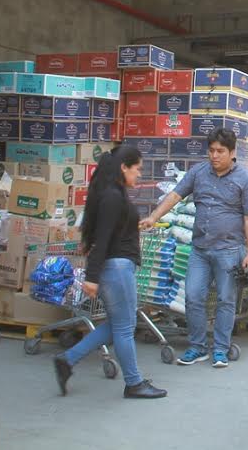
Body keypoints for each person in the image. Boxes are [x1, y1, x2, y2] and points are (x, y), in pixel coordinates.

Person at [53, 146, 166, 399]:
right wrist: (91, 278)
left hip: (116, 266)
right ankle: (134, 383)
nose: (139, 174)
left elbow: (105, 234)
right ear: (124, 167)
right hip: (117, 268)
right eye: (137, 169)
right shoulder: (113, 197)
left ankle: (68, 360)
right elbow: (101, 240)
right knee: (125, 328)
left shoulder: (110, 193)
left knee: (118, 324)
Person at [141, 128, 248, 368]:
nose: (214, 156)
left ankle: (221, 350)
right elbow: (175, 196)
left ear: (232, 152)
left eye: (220, 151)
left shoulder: (247, 182)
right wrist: (154, 217)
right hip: (200, 250)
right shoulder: (198, 172)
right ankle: (197, 347)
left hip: (229, 250)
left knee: (226, 300)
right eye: (211, 150)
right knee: (193, 297)